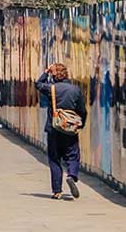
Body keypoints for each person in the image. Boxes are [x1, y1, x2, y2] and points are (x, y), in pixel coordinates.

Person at [36, 63, 87, 199]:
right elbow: (82, 110)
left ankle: (57, 191)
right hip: (69, 129)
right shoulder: (75, 90)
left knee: (54, 159)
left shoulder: (51, 88)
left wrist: (46, 72)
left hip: (54, 128)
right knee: (73, 155)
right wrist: (80, 124)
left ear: (54, 75)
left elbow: (38, 84)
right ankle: (71, 175)